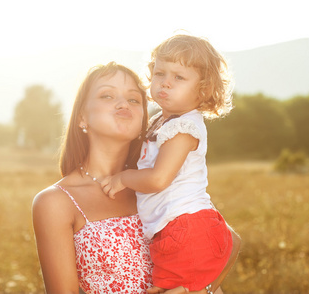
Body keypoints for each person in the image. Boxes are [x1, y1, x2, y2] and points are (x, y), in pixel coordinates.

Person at [32, 62, 238, 294]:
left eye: (133, 100)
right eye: (107, 96)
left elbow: (231, 240)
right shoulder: (56, 202)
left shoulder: (159, 179)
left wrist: (205, 288)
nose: (123, 104)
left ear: (143, 118)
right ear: (82, 117)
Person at [100, 35, 238, 293]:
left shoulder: (184, 127)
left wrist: (123, 178)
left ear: (204, 90)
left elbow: (158, 179)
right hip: (175, 230)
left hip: (186, 228)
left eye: (179, 77)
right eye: (160, 73)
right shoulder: (160, 121)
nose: (166, 83)